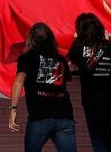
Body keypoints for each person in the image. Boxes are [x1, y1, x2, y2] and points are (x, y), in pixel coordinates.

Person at [9, 22, 77, 152]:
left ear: (31, 39)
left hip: (40, 115)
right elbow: (67, 77)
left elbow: (19, 80)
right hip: (64, 114)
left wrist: (13, 109)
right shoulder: (61, 59)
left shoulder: (27, 57)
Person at [67, 13, 111, 152]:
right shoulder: (109, 46)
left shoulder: (77, 47)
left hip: (92, 98)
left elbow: (72, 66)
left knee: (98, 138)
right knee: (104, 136)